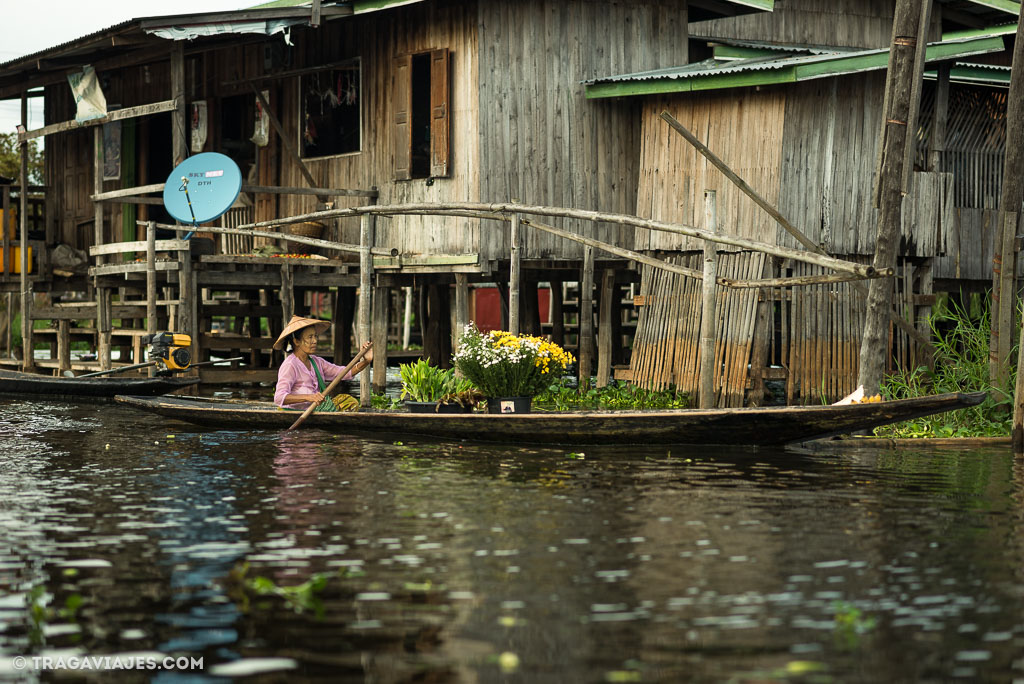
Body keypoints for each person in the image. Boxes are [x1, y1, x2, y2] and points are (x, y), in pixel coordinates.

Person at [273, 315, 372, 412]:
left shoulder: (316, 362)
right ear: (296, 341)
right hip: (296, 412)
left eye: (315, 336)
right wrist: (309, 397)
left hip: (316, 409)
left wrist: (366, 361)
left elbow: (345, 372)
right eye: (310, 337)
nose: (315, 341)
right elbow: (279, 398)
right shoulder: (290, 365)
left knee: (349, 402)